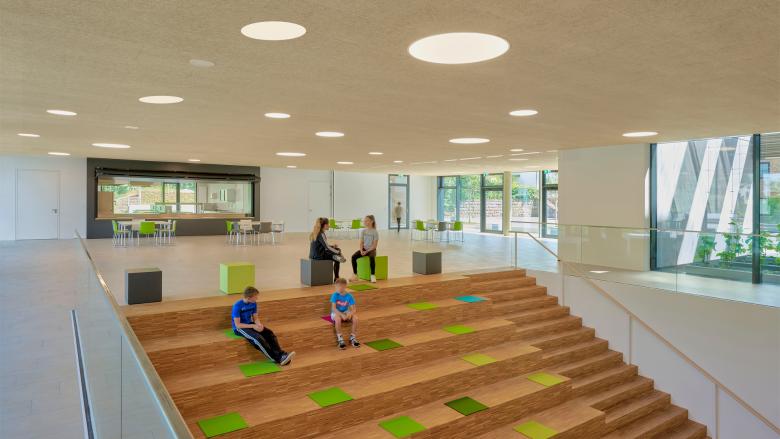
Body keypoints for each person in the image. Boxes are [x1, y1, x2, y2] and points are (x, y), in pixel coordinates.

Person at [232, 286, 295, 365]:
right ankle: (276, 358)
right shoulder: (237, 306)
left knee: (269, 333)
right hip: (240, 328)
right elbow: (238, 325)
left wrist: (259, 324)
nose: (257, 298)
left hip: (250, 324)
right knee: (258, 339)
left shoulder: (253, 303)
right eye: (255, 297)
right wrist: (253, 326)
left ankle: (281, 355)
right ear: (249, 298)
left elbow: (255, 318)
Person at [309, 217, 347, 281]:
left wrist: (332, 246)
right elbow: (327, 247)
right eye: (328, 224)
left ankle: (339, 257)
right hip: (319, 256)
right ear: (325, 225)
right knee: (337, 254)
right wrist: (338, 252)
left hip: (313, 255)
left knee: (336, 249)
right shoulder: (321, 234)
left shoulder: (315, 232)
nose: (329, 225)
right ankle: (337, 277)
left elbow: (323, 245)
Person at [330, 278, 360, 349]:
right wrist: (341, 315)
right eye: (336, 287)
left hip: (345, 311)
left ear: (345, 286)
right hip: (336, 312)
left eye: (339, 287)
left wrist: (350, 314)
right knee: (338, 319)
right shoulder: (335, 295)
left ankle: (352, 337)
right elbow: (334, 308)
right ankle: (340, 339)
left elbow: (354, 309)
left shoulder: (349, 296)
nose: (337, 289)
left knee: (356, 318)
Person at [350, 215, 379, 283]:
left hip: (371, 250)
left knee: (372, 257)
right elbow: (361, 242)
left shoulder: (375, 232)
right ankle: (355, 274)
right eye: (365, 221)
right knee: (353, 257)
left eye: (367, 221)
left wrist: (367, 251)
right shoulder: (363, 231)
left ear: (372, 221)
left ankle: (372, 275)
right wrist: (361, 250)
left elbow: (374, 246)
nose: (365, 222)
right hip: (364, 249)